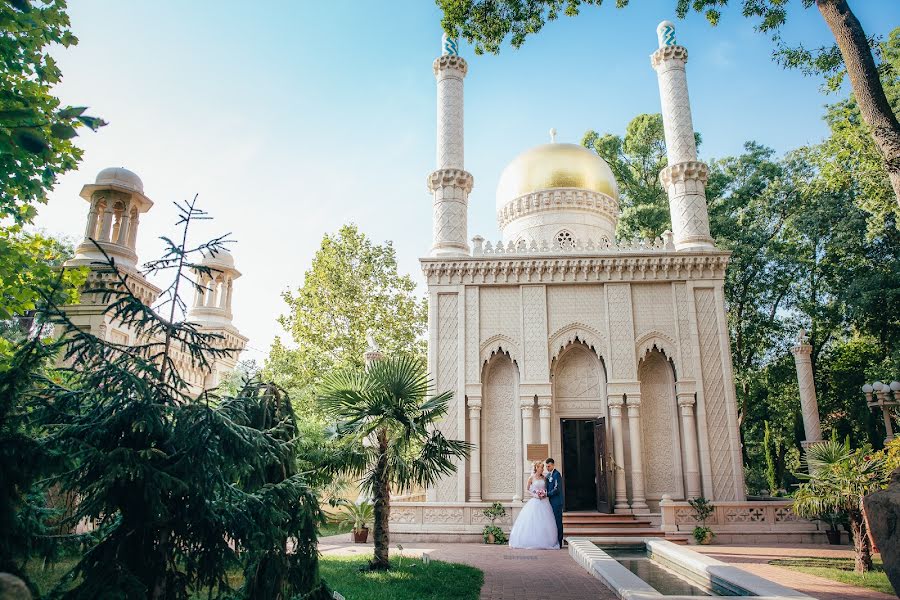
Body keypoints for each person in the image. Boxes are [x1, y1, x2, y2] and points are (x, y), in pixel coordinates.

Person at [508, 460, 559, 549]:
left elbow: (547, 488)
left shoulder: (544, 478)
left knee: (545, 521)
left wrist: (544, 493)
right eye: (541, 467)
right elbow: (527, 489)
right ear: (536, 468)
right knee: (533, 521)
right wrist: (535, 494)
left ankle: (546, 541)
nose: (542, 469)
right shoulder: (531, 478)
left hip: (544, 502)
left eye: (543, 467)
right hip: (535, 501)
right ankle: (532, 540)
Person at [545, 457, 564, 548]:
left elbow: (557, 489)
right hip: (551, 502)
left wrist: (547, 494)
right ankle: (554, 540)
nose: (547, 468)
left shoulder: (557, 474)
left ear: (553, 465)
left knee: (558, 522)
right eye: (546, 466)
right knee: (553, 522)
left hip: (557, 502)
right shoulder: (549, 475)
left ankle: (559, 542)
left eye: (548, 466)